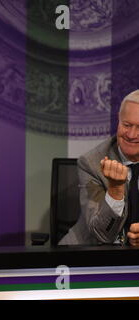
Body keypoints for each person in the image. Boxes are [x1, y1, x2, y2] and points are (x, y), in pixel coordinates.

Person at [60, 90, 139, 246]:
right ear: (118, 120)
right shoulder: (92, 163)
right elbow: (102, 234)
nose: (131, 134)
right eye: (126, 125)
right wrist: (115, 189)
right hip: (91, 255)